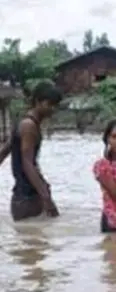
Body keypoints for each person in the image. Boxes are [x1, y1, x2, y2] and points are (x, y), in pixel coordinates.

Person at [6, 81, 63, 221]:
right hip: (27, 197)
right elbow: (28, 163)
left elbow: (5, 150)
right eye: (49, 104)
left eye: (56, 105)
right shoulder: (29, 126)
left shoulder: (24, 123)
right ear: (38, 101)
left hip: (24, 196)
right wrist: (46, 197)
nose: (53, 109)